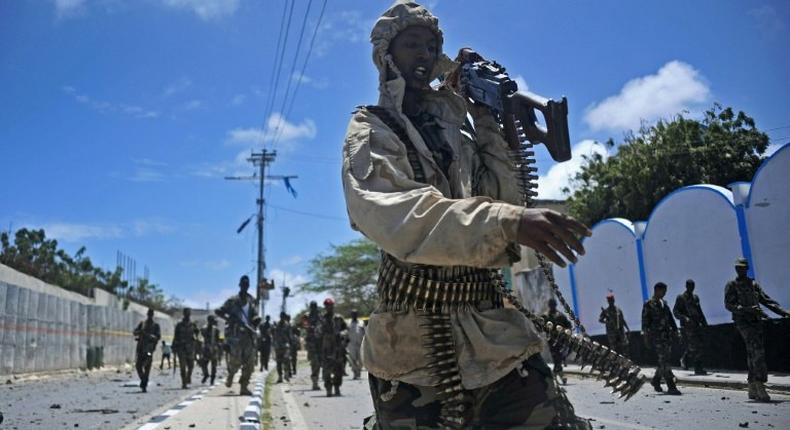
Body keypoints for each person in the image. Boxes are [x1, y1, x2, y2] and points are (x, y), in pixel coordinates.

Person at [341, 1, 592, 427]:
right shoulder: (371, 129)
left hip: (494, 332)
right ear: (388, 56)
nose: (423, 53)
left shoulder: (458, 128)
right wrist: (504, 222)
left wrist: (486, 115)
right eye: (411, 44)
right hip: (414, 343)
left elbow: (506, 195)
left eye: (431, 45)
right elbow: (396, 215)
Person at [725, 258, 789, 402]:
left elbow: (766, 300)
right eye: (737, 267)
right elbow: (729, 305)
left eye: (742, 267)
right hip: (743, 323)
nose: (739, 270)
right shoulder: (732, 285)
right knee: (757, 351)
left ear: (746, 269)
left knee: (752, 353)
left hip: (756, 322)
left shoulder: (753, 284)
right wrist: (747, 309)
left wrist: (783, 312)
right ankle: (760, 384)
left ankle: (752, 385)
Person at [215, 275, 261, 395]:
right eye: (243, 284)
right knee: (236, 361)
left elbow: (255, 315)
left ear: (248, 286)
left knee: (250, 363)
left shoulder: (252, 300)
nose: (245, 286)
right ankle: (231, 376)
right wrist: (229, 319)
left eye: (247, 284)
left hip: (248, 335)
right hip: (235, 335)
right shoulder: (232, 301)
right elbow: (219, 311)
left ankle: (244, 387)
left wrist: (256, 321)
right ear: (240, 285)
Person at [642, 282, 681, 395]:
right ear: (657, 290)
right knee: (665, 360)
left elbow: (670, 318)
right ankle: (671, 385)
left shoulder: (664, 303)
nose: (665, 293)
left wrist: (676, 330)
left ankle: (656, 380)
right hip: (656, 337)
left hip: (666, 337)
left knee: (663, 360)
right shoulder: (649, 304)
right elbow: (645, 323)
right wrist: (646, 337)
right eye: (663, 291)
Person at [673, 279, 708, 375]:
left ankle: (688, 360)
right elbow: (675, 311)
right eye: (690, 286)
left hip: (697, 324)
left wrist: (704, 322)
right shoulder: (681, 298)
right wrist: (684, 318)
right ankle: (695, 366)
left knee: (699, 345)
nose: (692, 288)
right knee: (695, 346)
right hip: (687, 326)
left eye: (693, 286)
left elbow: (699, 311)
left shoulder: (695, 297)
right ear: (686, 286)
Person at [320, 298, 347, 397]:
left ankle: (337, 387)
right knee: (326, 370)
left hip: (337, 347)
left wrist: (341, 333)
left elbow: (345, 329)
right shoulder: (322, 318)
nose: (329, 307)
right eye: (327, 305)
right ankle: (328, 388)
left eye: (330, 305)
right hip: (326, 347)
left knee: (338, 369)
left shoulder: (339, 318)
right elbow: (318, 332)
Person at [543, 299, 572, 384]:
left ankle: (555, 375)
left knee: (558, 358)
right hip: (551, 341)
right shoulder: (545, 316)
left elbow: (568, 325)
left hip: (560, 340)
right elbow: (541, 326)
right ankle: (560, 375)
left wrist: (565, 333)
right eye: (551, 305)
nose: (552, 306)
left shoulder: (560, 316)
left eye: (553, 304)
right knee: (556, 358)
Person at [133, 308, 161, 393]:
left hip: (149, 348)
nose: (150, 316)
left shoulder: (156, 326)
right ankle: (144, 380)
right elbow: (135, 332)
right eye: (149, 314)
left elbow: (158, 337)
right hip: (141, 348)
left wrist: (150, 336)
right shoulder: (142, 324)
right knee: (138, 366)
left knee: (147, 367)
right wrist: (139, 332)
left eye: (151, 314)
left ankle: (144, 385)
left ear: (153, 315)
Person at [172, 308, 198, 389]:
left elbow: (197, 335)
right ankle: (184, 383)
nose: (187, 315)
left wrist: (196, 340)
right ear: (184, 314)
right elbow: (175, 336)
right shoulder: (179, 325)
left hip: (190, 348)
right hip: (181, 348)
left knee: (191, 365)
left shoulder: (193, 325)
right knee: (183, 366)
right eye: (186, 313)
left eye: (188, 313)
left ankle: (188, 376)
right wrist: (174, 347)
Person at [305, 301, 323, 390]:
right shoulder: (307, 316)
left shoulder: (320, 316)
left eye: (315, 306)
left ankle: (317, 380)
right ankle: (315, 382)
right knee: (314, 362)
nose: (314, 308)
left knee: (319, 362)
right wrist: (309, 327)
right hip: (311, 343)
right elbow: (304, 325)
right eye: (312, 307)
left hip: (320, 342)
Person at [200, 315, 222, 385]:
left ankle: (212, 380)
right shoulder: (204, 329)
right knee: (203, 364)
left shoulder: (216, 330)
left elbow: (218, 340)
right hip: (206, 349)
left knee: (214, 366)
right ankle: (206, 375)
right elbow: (201, 338)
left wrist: (218, 346)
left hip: (213, 349)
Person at [272, 312, 292, 383]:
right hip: (278, 346)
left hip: (285, 346)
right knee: (279, 362)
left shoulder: (287, 325)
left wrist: (290, 343)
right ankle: (280, 376)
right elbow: (274, 335)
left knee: (286, 361)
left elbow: (290, 335)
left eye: (283, 316)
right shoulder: (276, 325)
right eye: (281, 316)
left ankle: (286, 374)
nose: (282, 318)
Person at [347, 310, 365, 380]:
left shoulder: (361, 322)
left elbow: (364, 332)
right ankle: (355, 372)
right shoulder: (348, 323)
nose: (354, 315)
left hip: (360, 343)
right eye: (353, 314)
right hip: (351, 344)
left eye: (355, 314)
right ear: (351, 315)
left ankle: (359, 370)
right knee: (353, 359)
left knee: (361, 360)